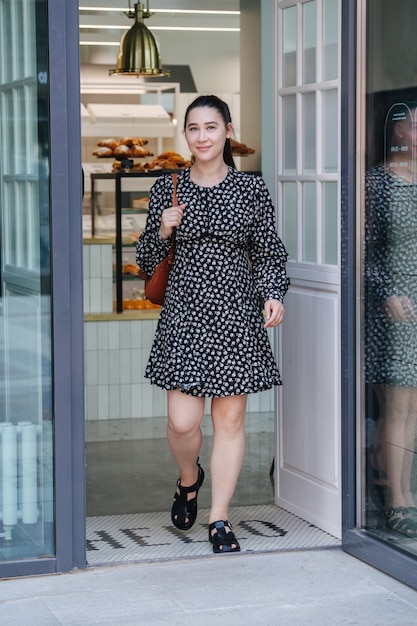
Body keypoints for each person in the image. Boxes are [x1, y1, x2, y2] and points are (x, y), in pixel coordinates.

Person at [136, 95, 289, 553]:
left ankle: (219, 518)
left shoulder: (250, 190)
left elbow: (269, 252)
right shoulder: (168, 189)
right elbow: (144, 261)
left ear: (227, 130)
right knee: (182, 422)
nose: (202, 136)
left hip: (235, 314)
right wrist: (162, 230)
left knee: (230, 418)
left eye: (210, 127)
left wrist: (273, 292)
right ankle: (189, 478)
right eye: (193, 128)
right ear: (186, 135)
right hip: (184, 313)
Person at [365, 101, 417, 538]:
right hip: (393, 307)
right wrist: (388, 293)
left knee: (414, 405)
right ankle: (396, 500)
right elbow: (361, 252)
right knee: (396, 406)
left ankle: (407, 492)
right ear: (399, 133)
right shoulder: (376, 184)